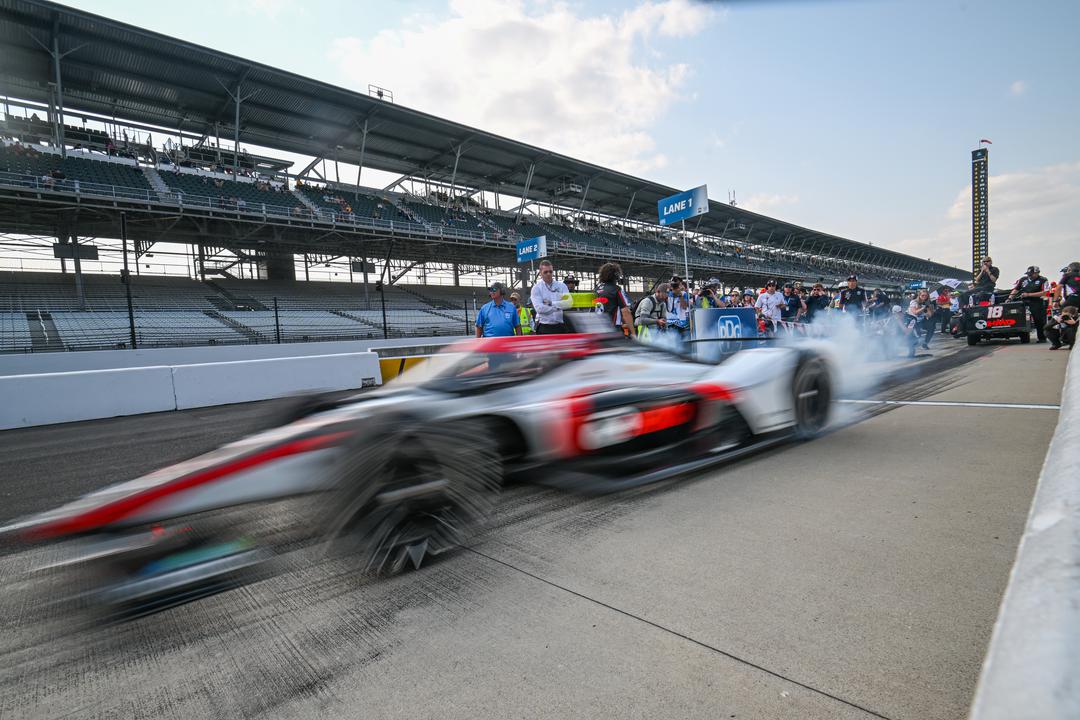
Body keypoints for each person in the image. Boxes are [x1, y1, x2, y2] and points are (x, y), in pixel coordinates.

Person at [1009, 266, 1050, 343]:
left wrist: (1029, 294)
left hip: (1037, 302)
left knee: (1039, 321)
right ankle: (1024, 336)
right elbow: (1016, 289)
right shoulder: (1023, 279)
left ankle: (1042, 338)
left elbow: (1045, 292)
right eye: (1028, 274)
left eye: (1031, 274)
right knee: (1020, 318)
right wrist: (1009, 298)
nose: (1029, 275)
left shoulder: (1043, 280)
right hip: (1024, 302)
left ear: (1037, 273)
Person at [529, 259, 572, 334]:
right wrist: (559, 306)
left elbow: (569, 303)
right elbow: (540, 309)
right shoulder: (536, 288)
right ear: (540, 273)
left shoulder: (562, 286)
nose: (548, 274)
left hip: (560, 326)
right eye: (545, 272)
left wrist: (552, 303)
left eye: (550, 271)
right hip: (544, 327)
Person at [594, 262, 633, 337]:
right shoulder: (616, 289)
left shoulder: (596, 289)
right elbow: (626, 312)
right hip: (612, 327)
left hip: (598, 326)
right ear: (616, 275)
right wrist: (633, 333)